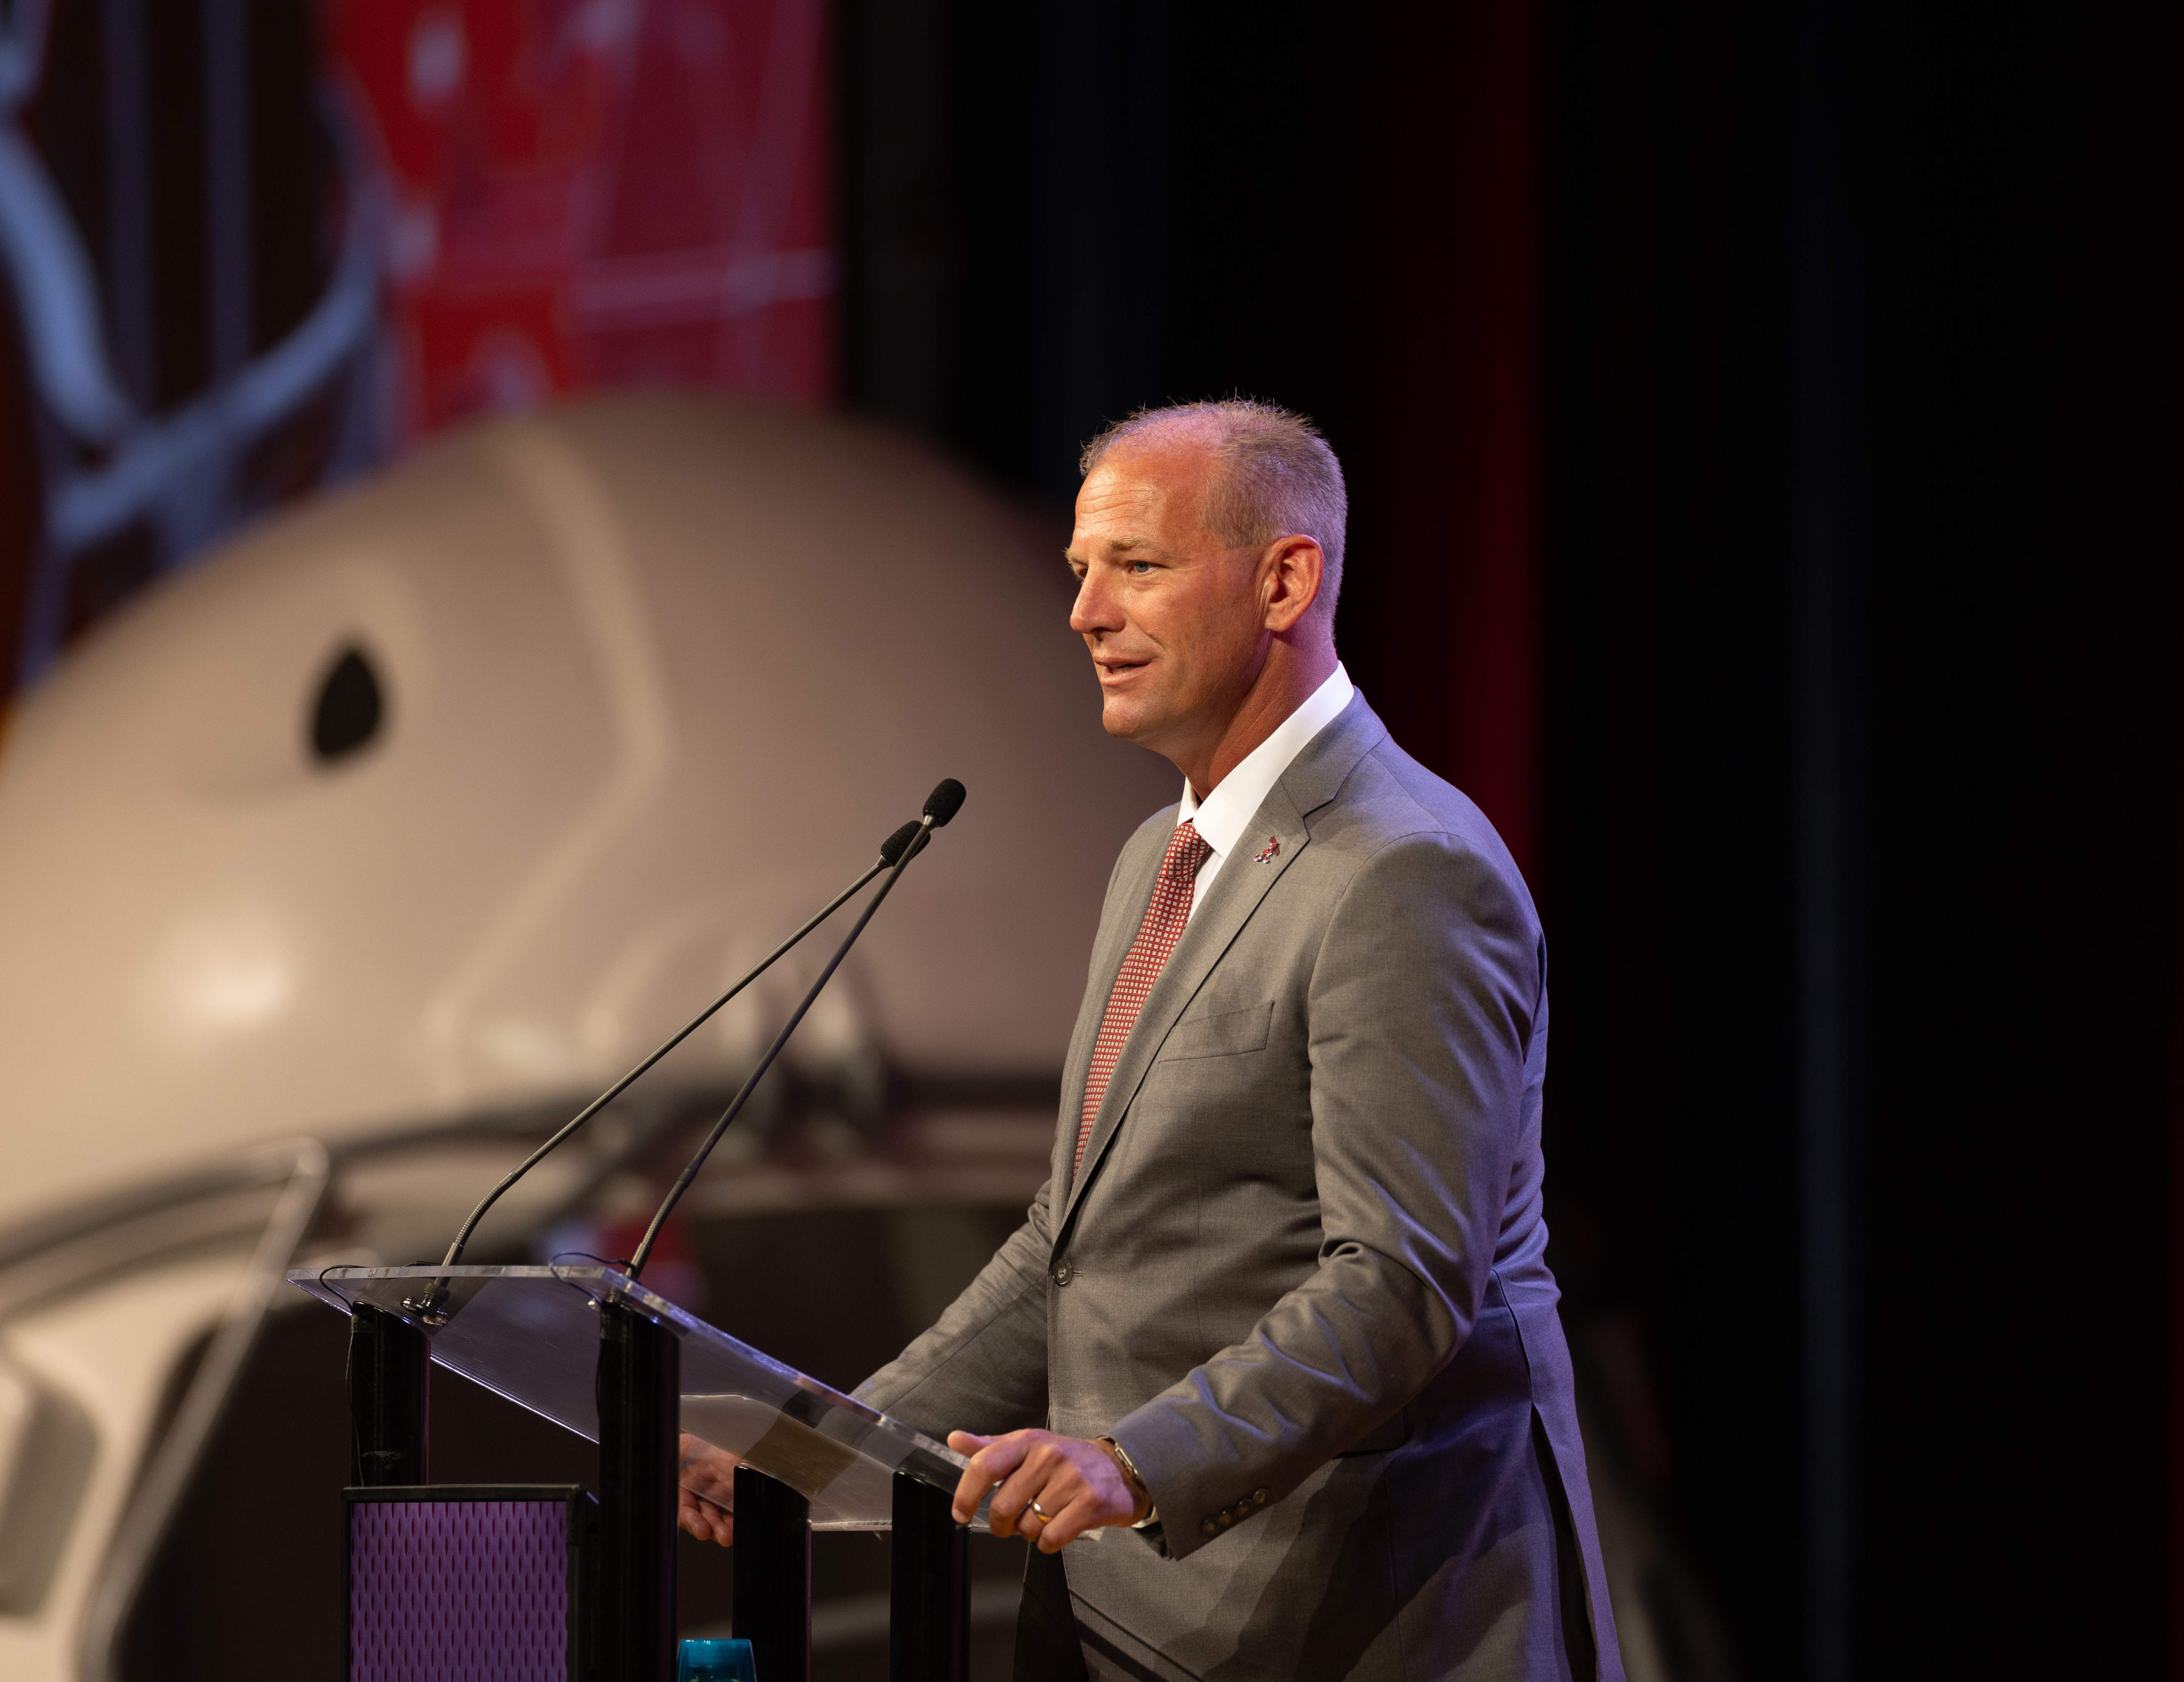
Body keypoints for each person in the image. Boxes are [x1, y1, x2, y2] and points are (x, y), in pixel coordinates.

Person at [683, 399, 1623, 1681]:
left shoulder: (1403, 873)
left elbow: (1402, 1283)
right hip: (1124, 1623)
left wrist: (1133, 1465)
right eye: (1081, 570)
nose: (1085, 612)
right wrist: (822, 1456)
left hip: (1353, 1621)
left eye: (1139, 565)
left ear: (1286, 579)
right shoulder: (1157, 858)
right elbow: (1067, 1251)